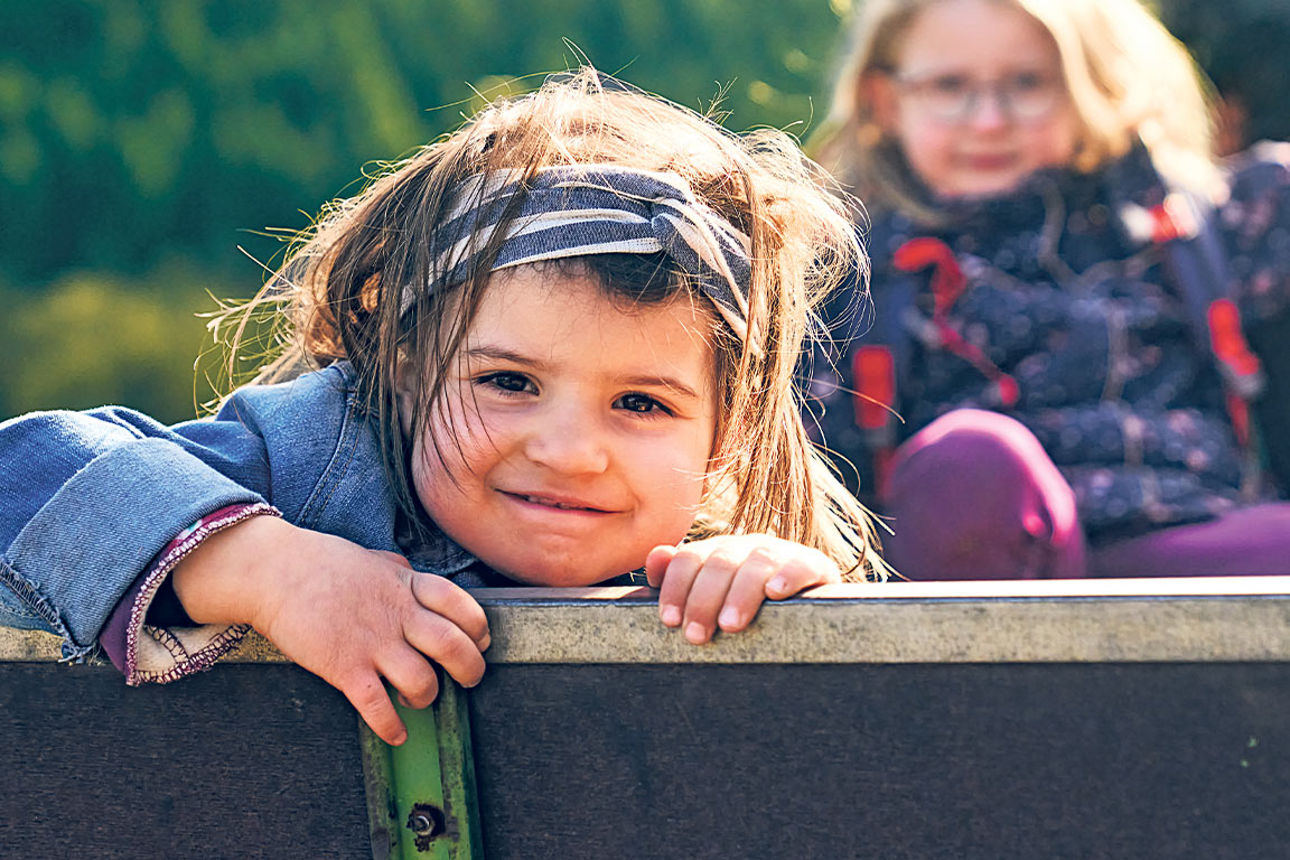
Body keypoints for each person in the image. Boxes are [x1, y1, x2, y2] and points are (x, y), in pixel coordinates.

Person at [0, 69, 885, 745]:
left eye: (642, 403)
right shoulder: (310, 464)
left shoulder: (708, 558)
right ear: (403, 365)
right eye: (509, 383)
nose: (572, 451)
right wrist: (272, 570)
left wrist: (783, 604)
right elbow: (22, 472)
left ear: (724, 432)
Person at [807, 0, 1290, 580]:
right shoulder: (843, 268)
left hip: (1187, 542)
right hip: (970, 565)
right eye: (948, 85)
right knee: (969, 460)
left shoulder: (1197, 228)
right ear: (884, 102)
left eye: (1028, 83)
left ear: (1098, 86)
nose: (988, 119)